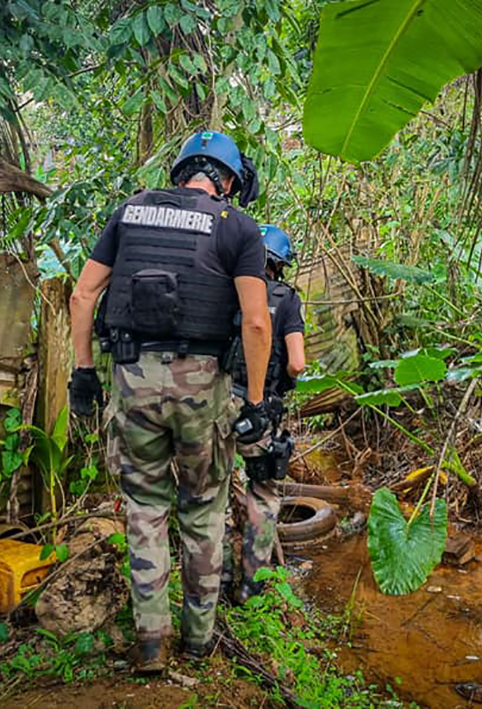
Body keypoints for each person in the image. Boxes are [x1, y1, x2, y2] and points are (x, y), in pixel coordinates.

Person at [66, 131, 272, 673]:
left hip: (133, 379)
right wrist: (254, 403)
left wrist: (84, 373)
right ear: (227, 181)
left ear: (181, 172)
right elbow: (255, 319)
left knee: (146, 510)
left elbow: (83, 294)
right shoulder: (237, 226)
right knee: (203, 511)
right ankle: (199, 643)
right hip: (203, 387)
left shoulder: (130, 212)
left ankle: (151, 645)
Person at [223, 224, 306, 604]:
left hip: (217, 402)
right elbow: (297, 364)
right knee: (263, 491)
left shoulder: (227, 290)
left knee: (216, 489)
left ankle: (218, 577)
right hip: (260, 409)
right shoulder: (286, 299)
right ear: (281, 265)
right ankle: (251, 584)